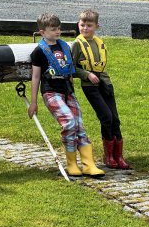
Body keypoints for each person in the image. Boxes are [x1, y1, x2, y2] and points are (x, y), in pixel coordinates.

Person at [28, 12, 105, 178]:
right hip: (51, 91)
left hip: (67, 91)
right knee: (69, 123)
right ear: (42, 32)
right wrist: (33, 102)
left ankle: (88, 164)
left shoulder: (64, 47)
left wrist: (71, 91)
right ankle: (71, 163)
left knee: (79, 125)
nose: (57, 32)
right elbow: (35, 77)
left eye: (59, 29)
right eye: (53, 29)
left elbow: (69, 71)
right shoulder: (39, 52)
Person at [71, 9, 130, 169]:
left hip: (104, 83)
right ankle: (108, 156)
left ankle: (119, 156)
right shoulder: (77, 45)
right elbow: (70, 67)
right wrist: (86, 74)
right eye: (82, 25)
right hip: (90, 86)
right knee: (106, 117)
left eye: (89, 25)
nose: (85, 28)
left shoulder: (98, 42)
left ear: (97, 26)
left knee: (115, 119)